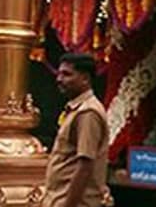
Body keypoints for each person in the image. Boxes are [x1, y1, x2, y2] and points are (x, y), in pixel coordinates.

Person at [42, 53, 110, 207]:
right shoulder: (76, 110)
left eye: (66, 74)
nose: (59, 79)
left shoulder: (88, 113)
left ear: (85, 78)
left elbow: (85, 165)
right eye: (59, 74)